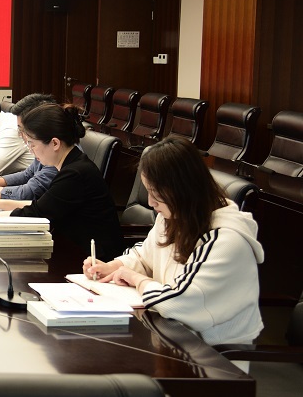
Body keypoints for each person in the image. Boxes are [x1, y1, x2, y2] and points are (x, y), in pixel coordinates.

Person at [83, 137, 263, 345]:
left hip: (212, 352)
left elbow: (178, 302)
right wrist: (114, 267)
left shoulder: (226, 241)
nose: (150, 202)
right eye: (148, 191)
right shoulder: (173, 216)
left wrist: (136, 279)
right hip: (169, 335)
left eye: (155, 193)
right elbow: (145, 255)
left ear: (182, 189)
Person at [0, 103, 124, 260]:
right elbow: (42, 205)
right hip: (72, 249)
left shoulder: (74, 173)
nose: (30, 150)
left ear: (55, 143)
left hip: (92, 258)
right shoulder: (71, 163)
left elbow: (37, 213)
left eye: (32, 144)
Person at [0, 93, 59, 200]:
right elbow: (28, 174)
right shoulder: (45, 148)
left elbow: (28, 193)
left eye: (21, 130)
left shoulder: (54, 156)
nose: (21, 135)